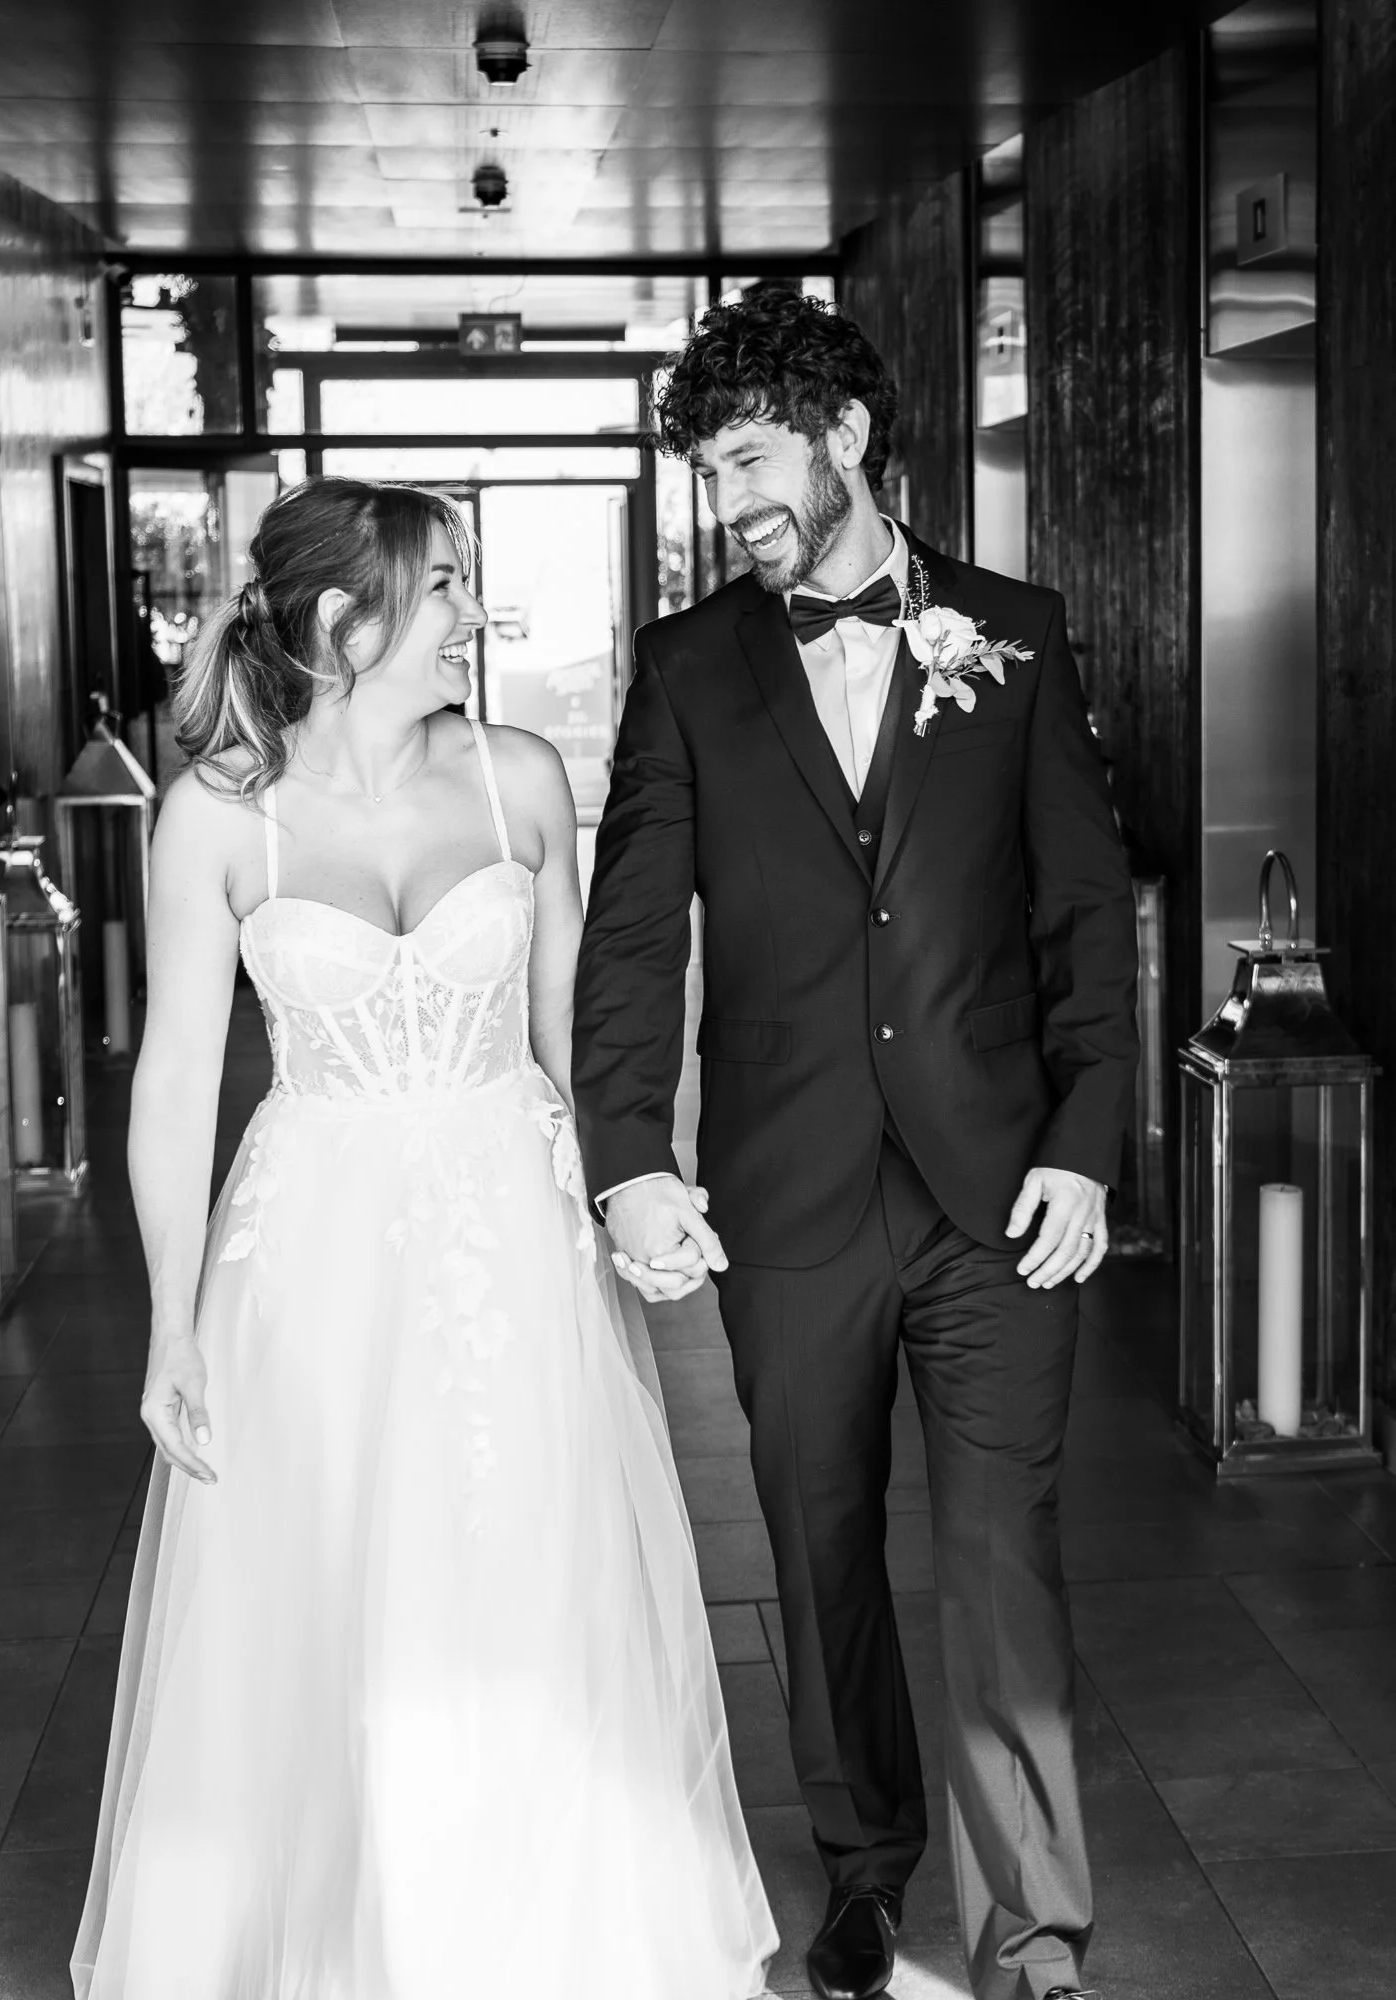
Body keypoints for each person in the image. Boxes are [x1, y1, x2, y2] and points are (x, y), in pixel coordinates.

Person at [72, 476, 776, 2000]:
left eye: (466, 584)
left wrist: (627, 1194)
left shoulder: (519, 776)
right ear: (343, 620)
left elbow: (585, 1036)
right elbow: (177, 1080)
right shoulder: (216, 816)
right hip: (310, 1250)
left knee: (521, 1566)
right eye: (443, 586)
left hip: (504, 1237)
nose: (471, 614)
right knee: (330, 1593)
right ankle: (347, 1934)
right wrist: (171, 1325)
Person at [573, 290, 1137, 2000]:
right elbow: (627, 937)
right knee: (817, 1555)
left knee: (997, 1556)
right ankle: (865, 1879)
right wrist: (628, 1152)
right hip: (787, 1187)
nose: (725, 498)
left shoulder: (1013, 633)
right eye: (705, 469)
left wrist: (1087, 1140)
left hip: (994, 1191)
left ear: (847, 440)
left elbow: (1080, 916)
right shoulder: (685, 668)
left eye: (747, 458)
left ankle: (1033, 1937)